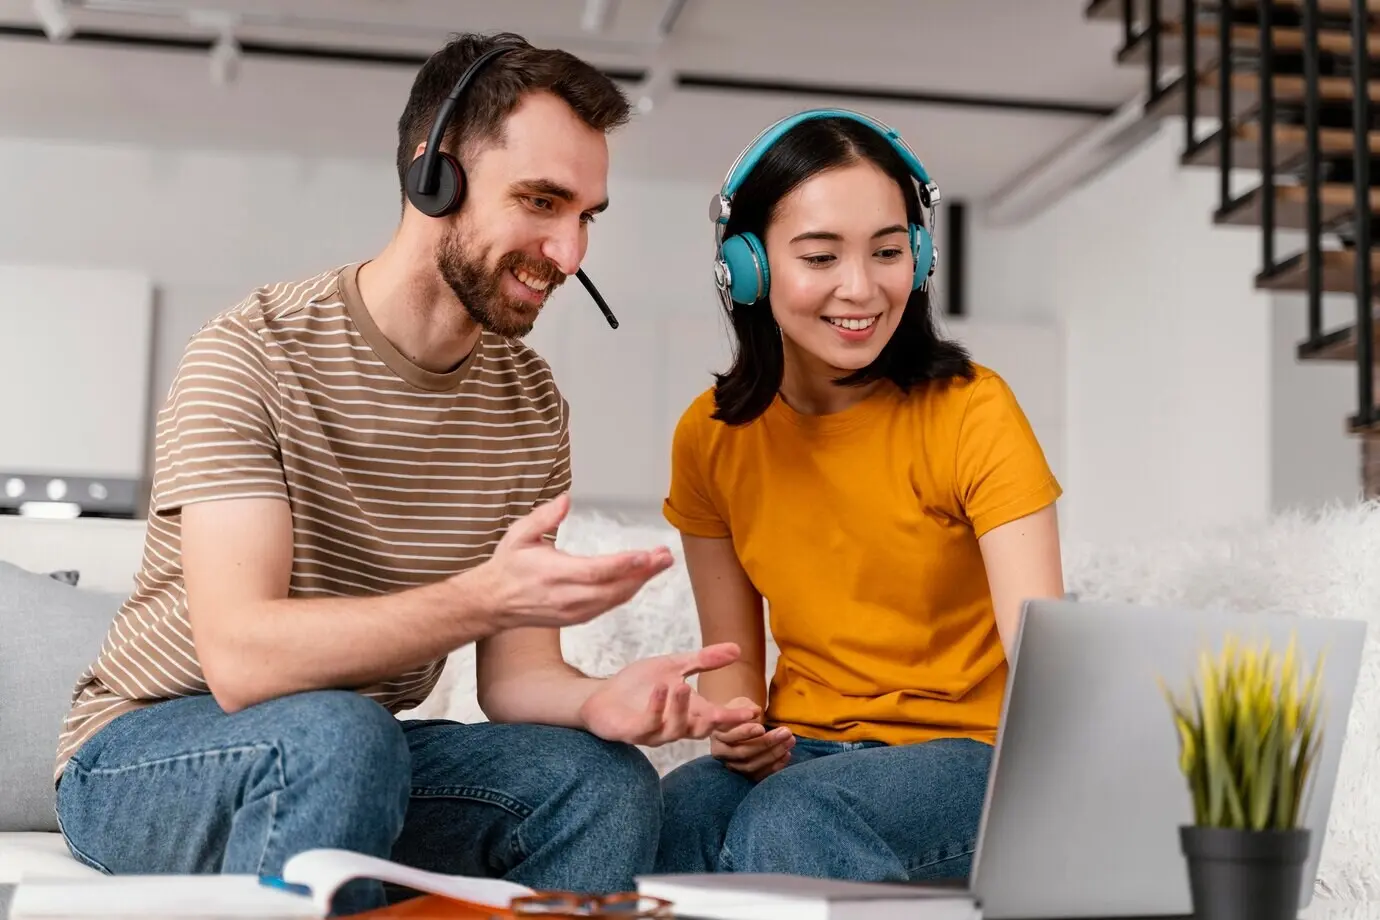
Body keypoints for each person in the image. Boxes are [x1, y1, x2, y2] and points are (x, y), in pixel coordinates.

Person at [52, 32, 755, 915]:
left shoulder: (531, 405)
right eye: (541, 201)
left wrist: (597, 703)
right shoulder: (251, 354)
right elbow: (241, 660)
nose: (570, 253)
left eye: (586, 216)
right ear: (435, 175)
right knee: (343, 736)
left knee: (598, 781)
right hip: (149, 752)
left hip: (354, 752)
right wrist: (480, 599)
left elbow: (515, 678)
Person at [654, 109, 1066, 882]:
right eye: (821, 256)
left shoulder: (972, 411)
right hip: (805, 750)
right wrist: (736, 726)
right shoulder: (708, 437)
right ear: (746, 267)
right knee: (671, 815)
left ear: (919, 256)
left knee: (796, 815)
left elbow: (1046, 660)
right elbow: (731, 660)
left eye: (887, 251)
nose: (862, 287)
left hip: (972, 757)